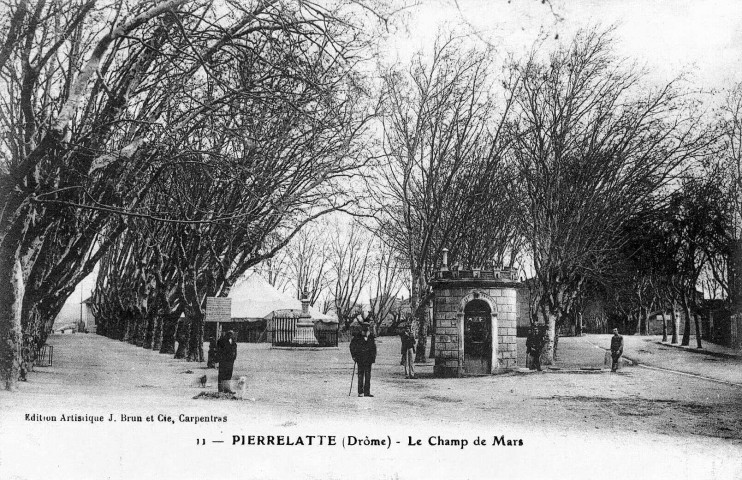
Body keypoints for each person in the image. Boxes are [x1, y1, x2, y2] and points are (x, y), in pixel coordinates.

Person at [350, 323, 376, 397]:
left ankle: (367, 392)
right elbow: (352, 346)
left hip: (368, 360)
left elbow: (373, 348)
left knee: (368, 376)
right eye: (365, 328)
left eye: (367, 328)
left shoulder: (371, 337)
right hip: (360, 359)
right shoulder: (357, 337)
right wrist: (354, 356)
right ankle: (360, 392)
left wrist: (373, 358)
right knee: (361, 375)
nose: (366, 329)